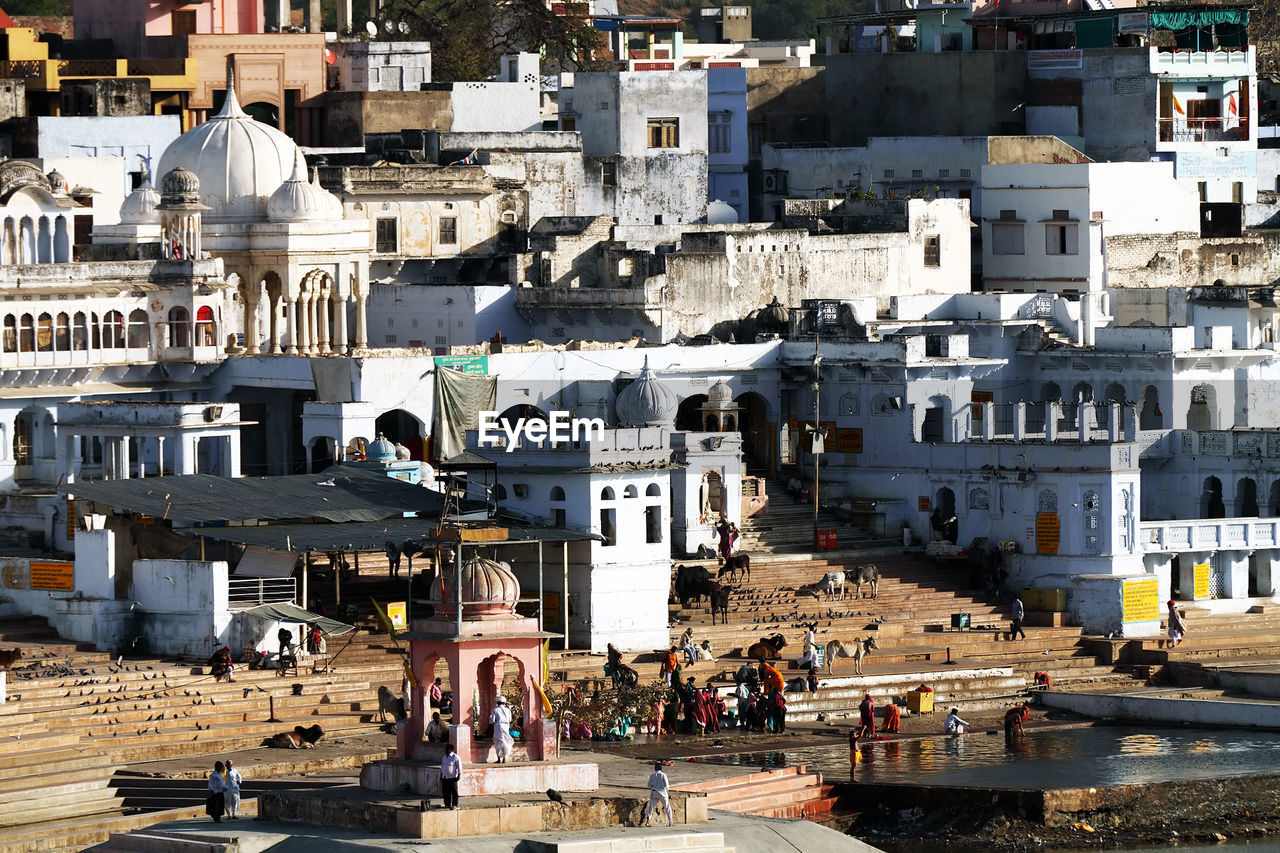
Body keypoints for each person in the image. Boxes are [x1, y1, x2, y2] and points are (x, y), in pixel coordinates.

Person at [644, 761, 673, 827]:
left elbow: (649, 785)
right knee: (667, 807)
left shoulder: (652, 775)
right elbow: (666, 785)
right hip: (663, 793)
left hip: (654, 792)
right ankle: (670, 822)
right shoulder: (663, 775)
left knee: (651, 807)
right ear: (661, 768)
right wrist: (667, 789)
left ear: (655, 768)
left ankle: (647, 822)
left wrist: (654, 786)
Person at [490, 695, 513, 763]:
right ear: (504, 703)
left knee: (498, 742)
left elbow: (492, 720)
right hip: (506, 726)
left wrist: (490, 719)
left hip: (498, 726)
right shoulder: (508, 710)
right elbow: (510, 719)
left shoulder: (495, 710)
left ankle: (499, 758)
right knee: (505, 742)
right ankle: (504, 758)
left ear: (497, 703)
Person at [440, 743, 462, 810]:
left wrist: (459, 774)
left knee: (454, 792)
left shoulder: (455, 757)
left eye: (446, 749)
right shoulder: (444, 757)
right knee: (445, 792)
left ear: (451, 749)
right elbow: (442, 766)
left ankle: (454, 804)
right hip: (445, 777)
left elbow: (459, 767)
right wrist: (441, 774)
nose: (445, 750)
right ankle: (447, 804)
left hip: (452, 777)